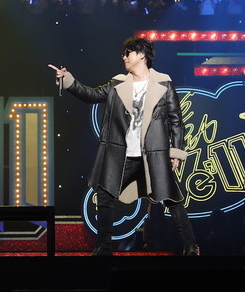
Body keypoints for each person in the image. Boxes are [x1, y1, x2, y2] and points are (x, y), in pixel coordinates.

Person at [48, 37, 199, 256]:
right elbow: (91, 95)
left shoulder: (163, 83)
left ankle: (191, 245)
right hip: (123, 154)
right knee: (105, 194)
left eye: (128, 53)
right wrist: (68, 80)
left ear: (141, 55)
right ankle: (103, 247)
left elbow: (176, 120)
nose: (124, 57)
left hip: (153, 153)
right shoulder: (118, 84)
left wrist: (175, 152)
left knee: (172, 197)